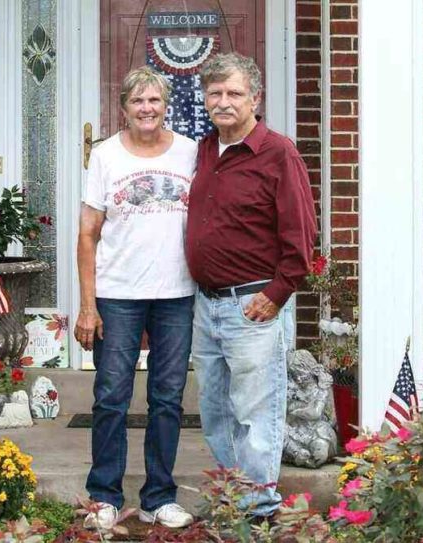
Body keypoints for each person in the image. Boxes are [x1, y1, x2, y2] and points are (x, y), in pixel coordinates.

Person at [186, 52, 318, 517]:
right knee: (216, 408)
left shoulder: (278, 153)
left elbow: (302, 237)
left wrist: (277, 294)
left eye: (234, 93)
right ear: (205, 97)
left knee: (255, 410)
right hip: (207, 305)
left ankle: (259, 506)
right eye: (215, 93)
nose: (223, 101)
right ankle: (232, 494)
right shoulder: (204, 150)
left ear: (255, 99)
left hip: (253, 304)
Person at [74, 66, 197, 531]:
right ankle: (104, 495)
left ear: (166, 105)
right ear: (123, 107)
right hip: (118, 295)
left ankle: (158, 497)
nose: (147, 109)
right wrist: (88, 306)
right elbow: (87, 235)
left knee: (168, 398)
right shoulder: (106, 156)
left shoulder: (189, 153)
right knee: (111, 397)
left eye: (155, 100)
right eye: (137, 101)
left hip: (176, 294)